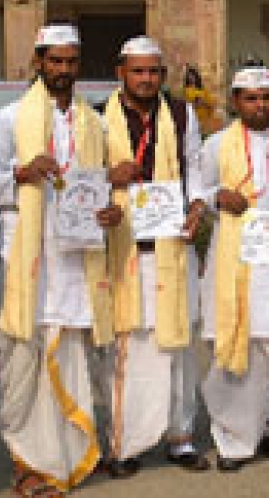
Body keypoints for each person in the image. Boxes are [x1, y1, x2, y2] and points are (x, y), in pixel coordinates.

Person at [0, 24, 119, 495]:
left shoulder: (94, 123)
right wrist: (22, 172)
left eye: (71, 61)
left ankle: (72, 451)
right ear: (37, 62)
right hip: (28, 256)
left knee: (74, 354)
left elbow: (99, 183)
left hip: (76, 258)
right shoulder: (7, 119)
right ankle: (27, 462)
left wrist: (108, 210)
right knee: (24, 360)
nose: (63, 70)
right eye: (54, 61)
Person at [101, 35, 209, 475]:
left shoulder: (181, 115)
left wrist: (198, 206)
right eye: (138, 71)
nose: (146, 79)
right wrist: (110, 177)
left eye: (153, 72)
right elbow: (83, 179)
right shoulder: (97, 119)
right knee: (131, 347)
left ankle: (180, 436)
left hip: (170, 244)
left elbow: (195, 169)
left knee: (177, 345)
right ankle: (125, 442)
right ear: (120, 73)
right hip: (125, 249)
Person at [196, 66, 269, 470]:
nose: (260, 105)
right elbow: (196, 194)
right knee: (236, 348)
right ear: (235, 102)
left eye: (266, 97)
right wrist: (218, 197)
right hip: (233, 264)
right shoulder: (214, 146)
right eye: (250, 98)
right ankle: (233, 439)